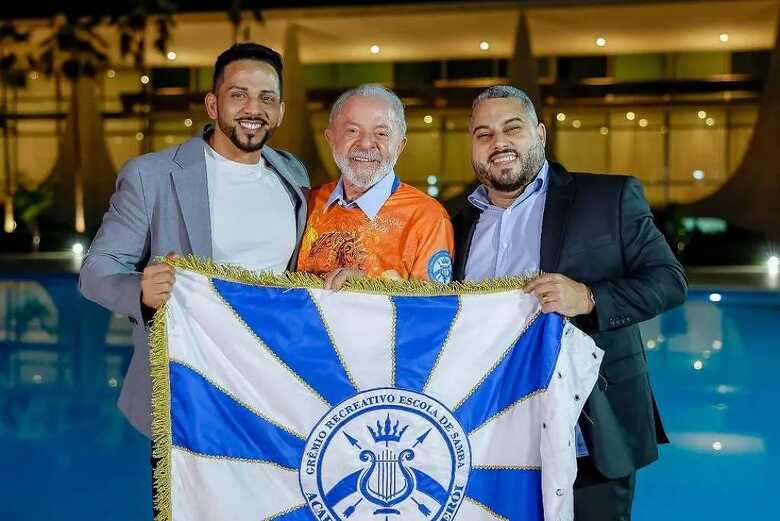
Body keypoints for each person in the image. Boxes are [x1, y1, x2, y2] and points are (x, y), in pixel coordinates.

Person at [452, 85, 687, 520]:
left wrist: (590, 297)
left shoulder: (607, 199)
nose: (498, 142)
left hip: (588, 432)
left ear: (540, 133)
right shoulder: (453, 220)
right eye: (483, 134)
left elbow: (669, 281)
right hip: (487, 436)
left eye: (512, 128)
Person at [79, 42, 310, 438]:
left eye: (266, 98)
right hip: (187, 390)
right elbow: (96, 272)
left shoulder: (292, 175)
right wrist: (141, 292)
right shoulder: (151, 175)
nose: (253, 109)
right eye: (239, 95)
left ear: (280, 111)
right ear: (213, 104)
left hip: (271, 392)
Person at [297, 85, 454, 288]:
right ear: (331, 139)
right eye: (352, 131)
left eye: (381, 133)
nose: (365, 143)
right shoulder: (306, 204)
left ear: (400, 146)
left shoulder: (427, 218)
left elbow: (432, 311)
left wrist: (369, 289)